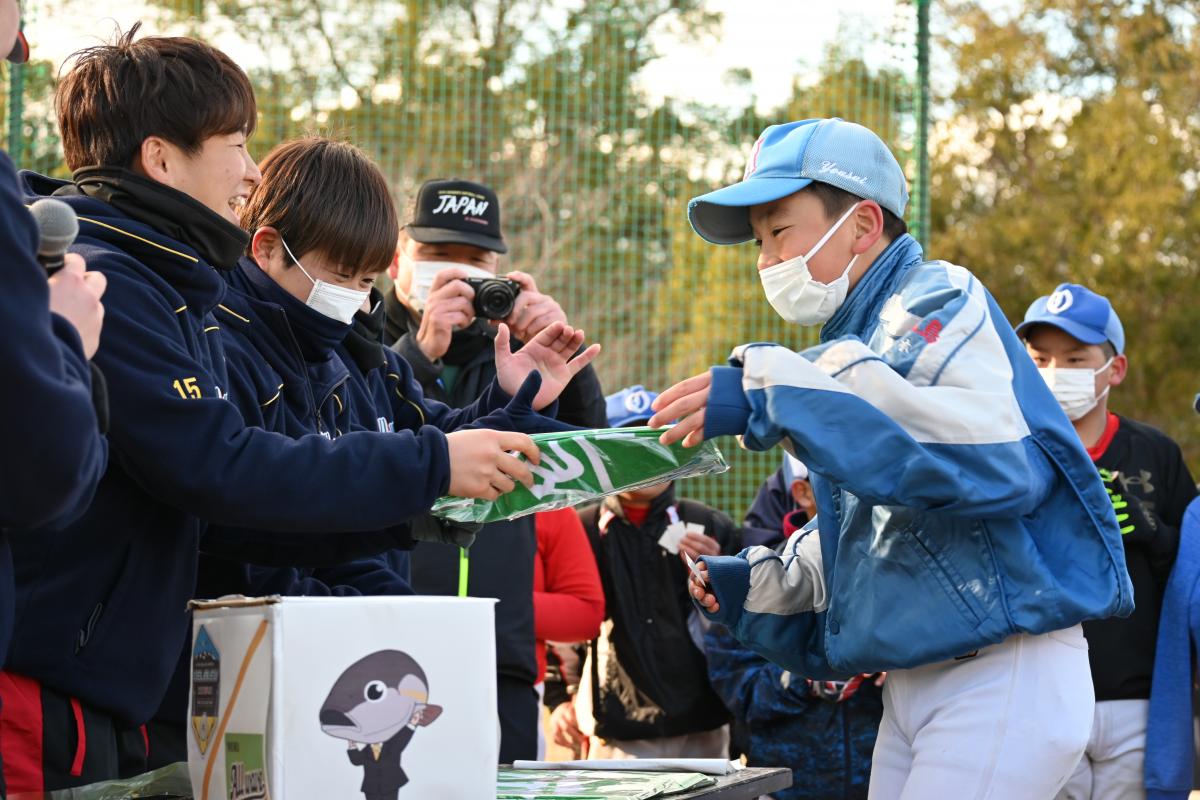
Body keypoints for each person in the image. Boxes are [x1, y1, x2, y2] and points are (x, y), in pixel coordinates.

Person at [0, 32, 594, 791]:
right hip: (60, 691)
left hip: (107, 694)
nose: (250, 171)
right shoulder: (116, 287)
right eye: (237, 143)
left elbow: (243, 498)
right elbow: (223, 469)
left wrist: (434, 523)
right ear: (159, 158)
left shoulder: (181, 289)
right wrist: (432, 470)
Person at [653, 118, 1133, 798]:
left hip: (1001, 670)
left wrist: (774, 390)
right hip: (918, 682)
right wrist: (754, 584)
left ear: (863, 222)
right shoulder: (858, 341)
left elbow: (989, 457)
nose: (766, 260)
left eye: (779, 230)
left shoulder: (938, 295)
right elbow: (882, 535)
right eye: (758, 242)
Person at [383, 178, 608, 762]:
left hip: (497, 647)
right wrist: (417, 351)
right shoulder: (360, 335)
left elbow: (581, 463)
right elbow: (366, 439)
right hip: (384, 636)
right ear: (396, 258)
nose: (457, 276)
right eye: (437, 257)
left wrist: (561, 358)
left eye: (476, 263)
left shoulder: (512, 354)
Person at [1016, 284, 1197, 800]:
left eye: (1075, 358)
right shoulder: (1009, 452)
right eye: (1040, 357)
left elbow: (1190, 577)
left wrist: (1156, 536)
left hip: (1137, 698)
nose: (1055, 372)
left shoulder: (1154, 453)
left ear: (1114, 369)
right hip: (1038, 693)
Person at [549, 385, 736, 760]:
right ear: (608, 454)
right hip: (615, 728)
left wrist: (726, 580)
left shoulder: (705, 523)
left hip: (704, 724)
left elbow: (743, 627)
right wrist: (559, 699)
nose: (647, 457)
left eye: (658, 441)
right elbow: (561, 623)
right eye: (632, 445)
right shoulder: (581, 528)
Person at [706, 455, 883, 800]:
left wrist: (901, 664)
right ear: (802, 492)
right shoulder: (748, 578)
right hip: (788, 787)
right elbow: (741, 692)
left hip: (883, 781)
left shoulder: (892, 566)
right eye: (837, 482)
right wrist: (807, 680)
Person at [532, 508, 605, 757]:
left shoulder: (706, 523)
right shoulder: (588, 521)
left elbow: (584, 614)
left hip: (514, 690)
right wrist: (559, 696)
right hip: (417, 676)